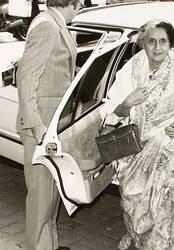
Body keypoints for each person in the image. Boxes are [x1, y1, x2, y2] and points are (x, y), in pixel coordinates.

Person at [101, 19, 174, 250]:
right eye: (151, 42)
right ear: (143, 44)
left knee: (163, 209)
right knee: (132, 202)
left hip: (169, 149)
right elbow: (111, 112)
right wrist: (127, 104)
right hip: (135, 151)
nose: (157, 48)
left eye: (163, 42)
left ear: (171, 44)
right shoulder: (130, 70)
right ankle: (135, 235)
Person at [16, 0, 81, 249]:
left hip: (52, 124)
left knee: (52, 193)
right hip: (41, 127)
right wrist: (36, 126)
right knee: (41, 196)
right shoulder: (48, 27)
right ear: (72, 3)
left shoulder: (54, 22)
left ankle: (48, 244)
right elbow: (26, 78)